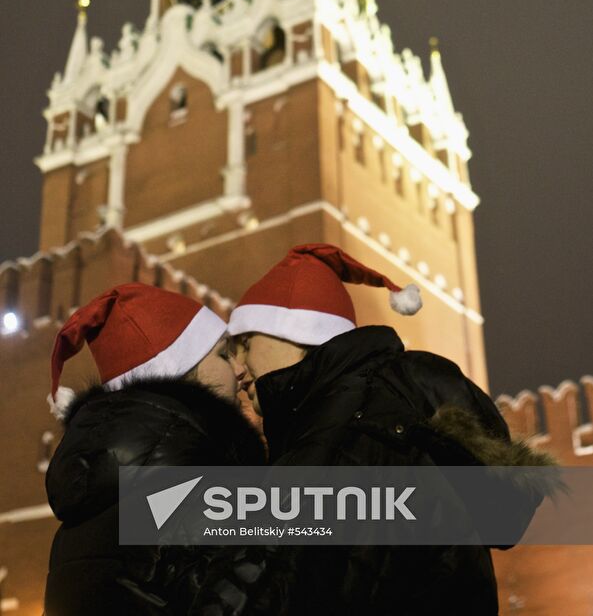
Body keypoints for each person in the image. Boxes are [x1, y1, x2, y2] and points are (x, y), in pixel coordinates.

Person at [226, 243, 560, 616]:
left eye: (243, 344)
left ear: (291, 330)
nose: (237, 368)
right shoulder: (322, 420)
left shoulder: (362, 413)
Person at [43, 282, 268, 616]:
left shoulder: (84, 517)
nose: (239, 369)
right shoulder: (191, 495)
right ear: (180, 373)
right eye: (223, 354)